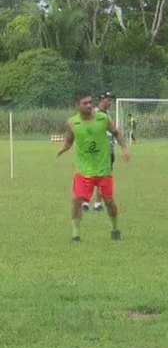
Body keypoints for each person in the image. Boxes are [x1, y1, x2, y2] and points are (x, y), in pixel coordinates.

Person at [57, 91, 130, 242]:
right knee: (76, 200)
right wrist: (63, 148)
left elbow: (116, 133)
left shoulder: (103, 118)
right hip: (83, 170)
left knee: (109, 201)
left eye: (90, 102)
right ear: (77, 105)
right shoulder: (72, 123)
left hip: (103, 168)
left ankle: (115, 229)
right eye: (85, 103)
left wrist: (124, 148)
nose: (89, 105)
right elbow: (69, 140)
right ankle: (76, 235)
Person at [85, 91, 115, 212]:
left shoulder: (108, 115)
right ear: (102, 100)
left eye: (111, 100)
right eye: (108, 100)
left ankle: (98, 203)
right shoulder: (94, 114)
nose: (110, 102)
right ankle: (86, 201)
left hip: (108, 151)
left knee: (103, 177)